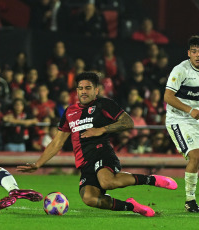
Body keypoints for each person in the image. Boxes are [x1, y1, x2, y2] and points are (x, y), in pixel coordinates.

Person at [18, 72, 177, 217]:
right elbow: (57, 142)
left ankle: (152, 180)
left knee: (107, 181)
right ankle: (132, 206)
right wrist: (38, 164)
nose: (83, 91)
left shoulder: (103, 104)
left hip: (102, 152)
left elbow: (128, 122)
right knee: (90, 198)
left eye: (88, 88)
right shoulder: (69, 112)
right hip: (84, 162)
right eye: (80, 88)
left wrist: (101, 129)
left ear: (96, 90)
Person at [164, 35, 199, 212]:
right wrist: (190, 110)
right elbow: (168, 97)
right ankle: (190, 200)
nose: (197, 55)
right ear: (189, 53)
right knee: (195, 156)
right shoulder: (181, 70)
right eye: (194, 51)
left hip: (197, 119)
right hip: (179, 119)